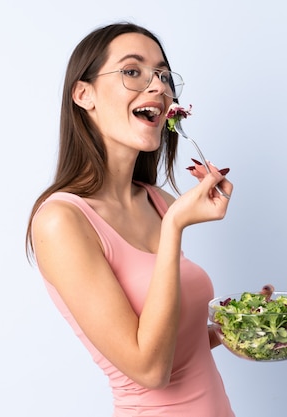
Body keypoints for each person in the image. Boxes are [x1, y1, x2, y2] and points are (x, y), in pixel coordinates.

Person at [25, 22, 234, 417]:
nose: (157, 86)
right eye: (132, 71)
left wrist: (241, 328)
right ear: (84, 94)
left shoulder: (158, 201)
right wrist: (174, 228)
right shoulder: (61, 221)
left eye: (163, 76)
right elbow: (150, 370)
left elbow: (172, 339)